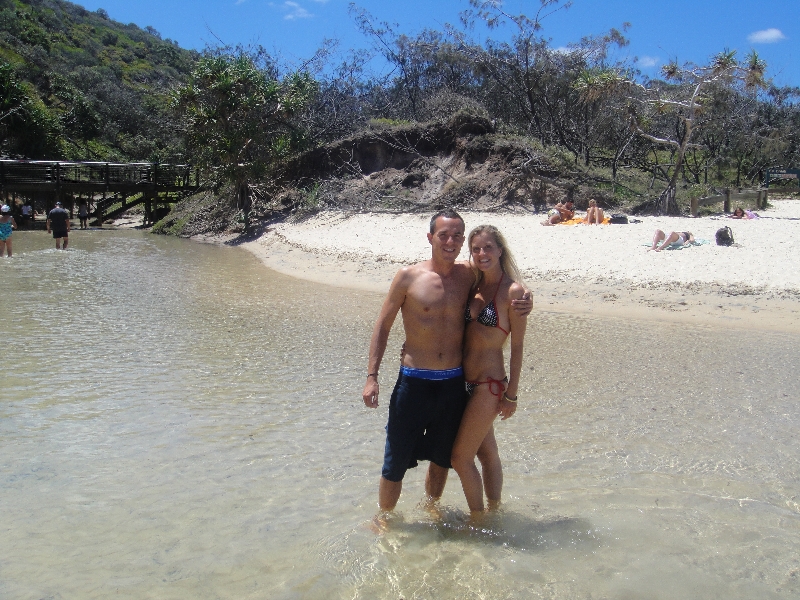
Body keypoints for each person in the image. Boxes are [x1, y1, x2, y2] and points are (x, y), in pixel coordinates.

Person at [361, 210, 532, 513]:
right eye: (444, 235)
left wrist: (525, 296)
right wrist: (372, 375)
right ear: (430, 238)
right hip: (415, 381)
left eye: (457, 236)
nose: (451, 241)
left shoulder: (467, 275)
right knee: (396, 458)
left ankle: (433, 508)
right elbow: (382, 325)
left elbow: (502, 283)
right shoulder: (408, 277)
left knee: (444, 458)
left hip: (455, 384)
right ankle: (384, 520)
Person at [451, 225, 528, 516]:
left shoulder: (514, 291)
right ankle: (496, 511)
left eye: (488, 247)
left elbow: (518, 346)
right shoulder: (474, 282)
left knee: (460, 458)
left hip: (489, 384)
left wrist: (512, 394)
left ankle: (478, 520)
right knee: (486, 453)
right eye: (476, 249)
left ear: (500, 250)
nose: (482, 254)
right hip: (463, 382)